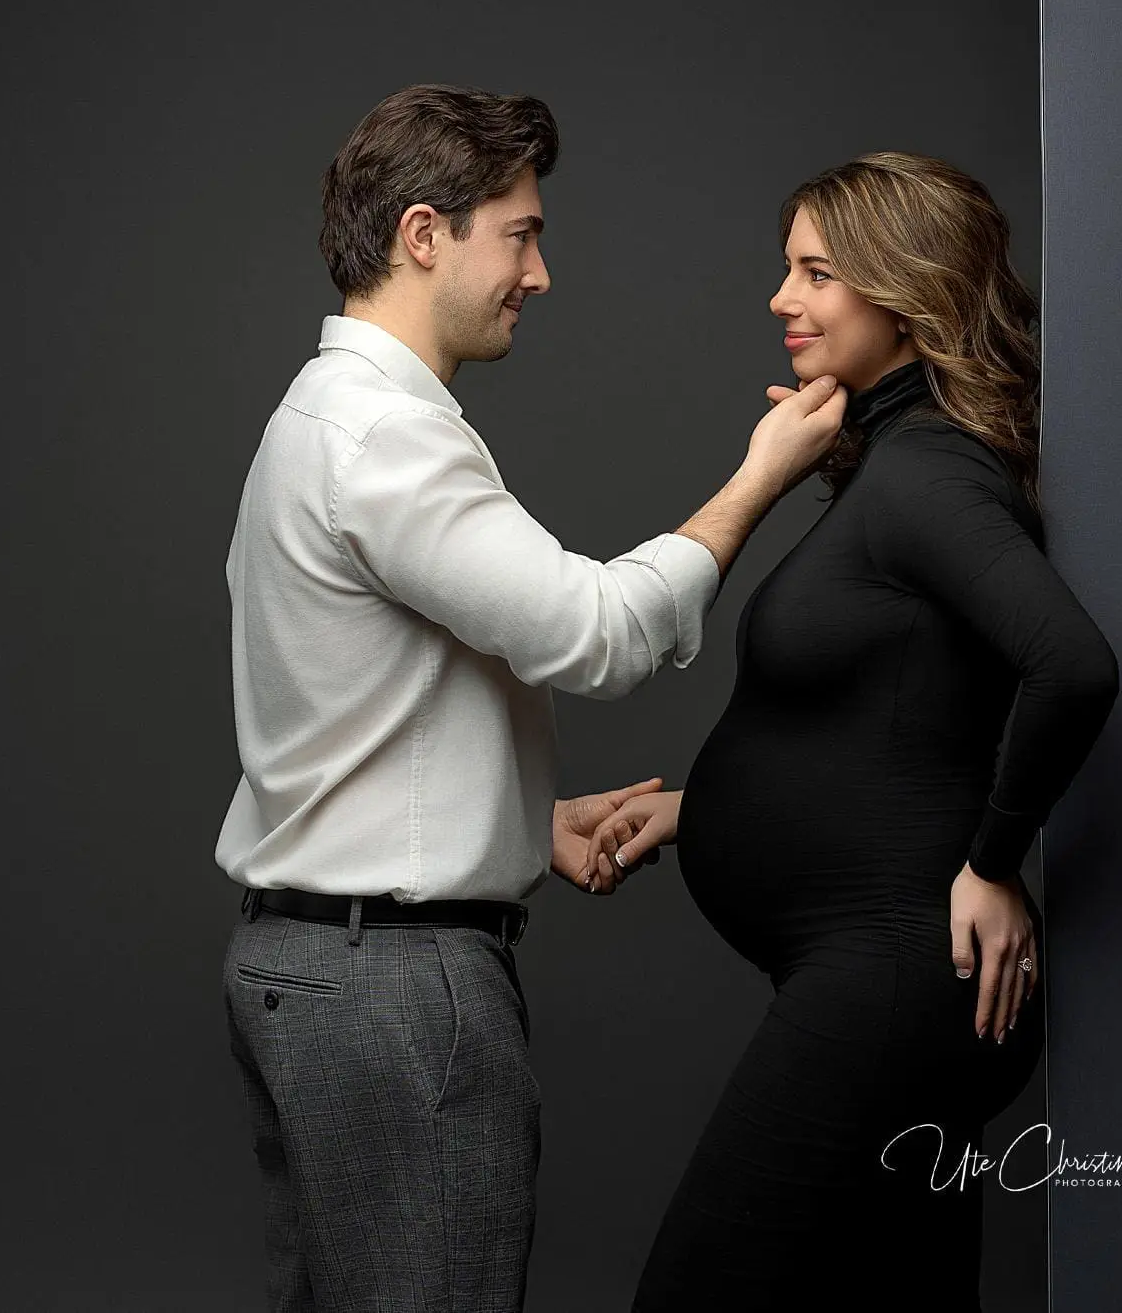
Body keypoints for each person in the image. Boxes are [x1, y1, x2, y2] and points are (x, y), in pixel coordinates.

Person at [214, 83, 847, 1313]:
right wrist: (756, 481)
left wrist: (512, 819)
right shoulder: (385, 437)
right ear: (420, 235)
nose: (539, 272)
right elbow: (597, 636)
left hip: (302, 966)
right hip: (390, 994)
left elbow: (344, 707)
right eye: (520, 233)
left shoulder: (313, 420)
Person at [592, 152, 1120, 1311]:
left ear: (903, 285)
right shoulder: (889, 460)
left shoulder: (926, 472)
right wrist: (701, 810)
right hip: (884, 978)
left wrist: (991, 860)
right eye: (787, 269)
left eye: (814, 272)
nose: (781, 299)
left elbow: (1069, 666)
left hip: (894, 985)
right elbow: (899, 710)